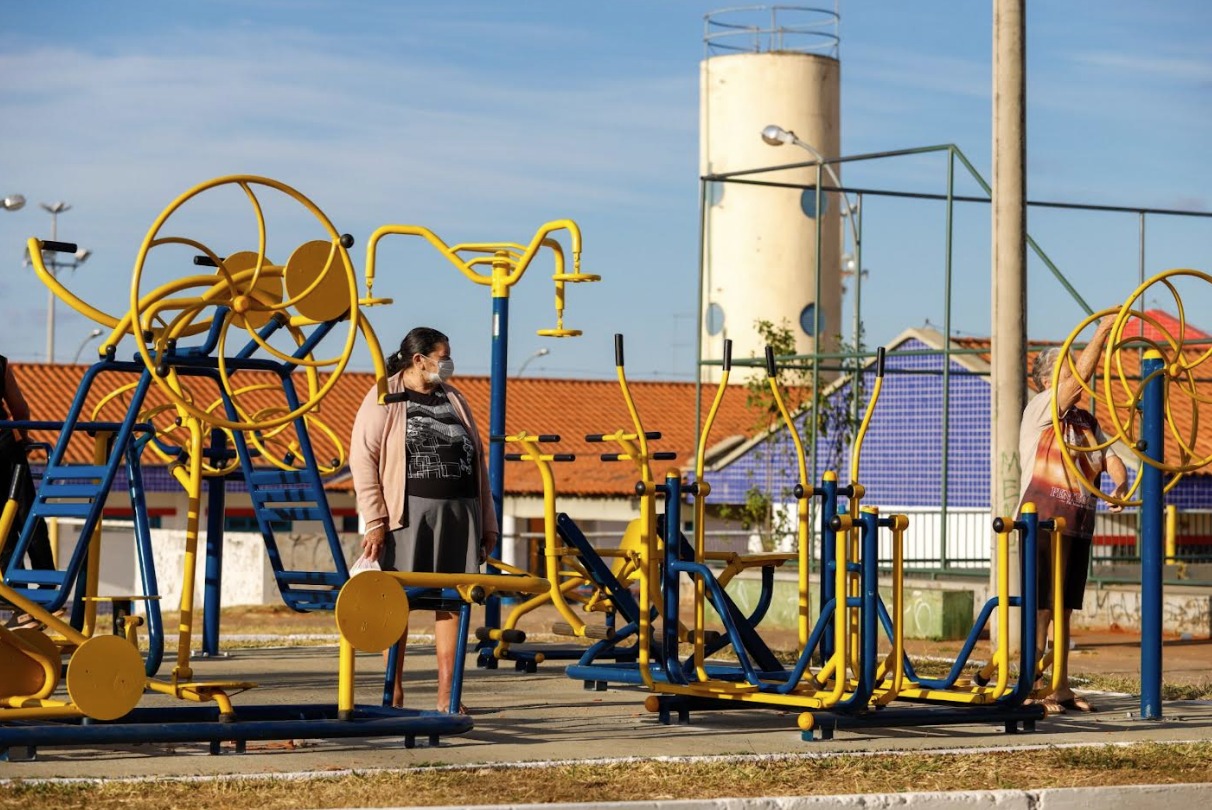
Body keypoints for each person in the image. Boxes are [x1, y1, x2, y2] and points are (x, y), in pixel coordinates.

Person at [349, 327, 498, 712]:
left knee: (453, 603)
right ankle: (392, 694)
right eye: (442, 355)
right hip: (408, 514)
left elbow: (477, 461)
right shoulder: (386, 394)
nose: (448, 362)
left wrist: (488, 523)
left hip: (460, 514)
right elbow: (363, 458)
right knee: (396, 603)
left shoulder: (455, 398)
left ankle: (448, 696)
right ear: (420, 359)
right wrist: (376, 519)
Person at [1017, 315, 1129, 715]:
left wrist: (1119, 483)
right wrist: (1101, 333)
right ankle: (1028, 685)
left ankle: (1059, 686)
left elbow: (1111, 458)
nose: (1076, 378)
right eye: (1066, 369)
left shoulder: (1086, 421)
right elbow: (1082, 376)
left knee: (1064, 608)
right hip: (1043, 520)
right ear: (1049, 380)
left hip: (1077, 525)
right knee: (1042, 606)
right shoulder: (1041, 409)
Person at [0, 354, 54, 582]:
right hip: (5, 443)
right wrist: (23, 438)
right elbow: (20, 409)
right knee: (28, 515)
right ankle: (47, 585)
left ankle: (16, 599)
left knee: (4, 525)